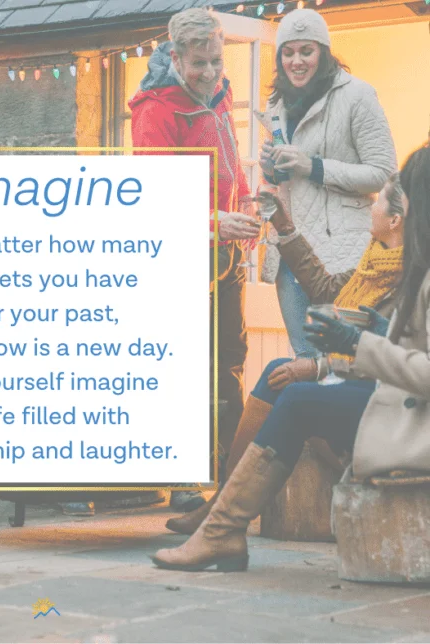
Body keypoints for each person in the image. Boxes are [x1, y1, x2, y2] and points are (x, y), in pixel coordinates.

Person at [151, 141, 428, 572]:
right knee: (282, 375)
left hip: (411, 422)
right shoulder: (388, 264)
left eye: (387, 196)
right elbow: (329, 291)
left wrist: (336, 357)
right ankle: (220, 518)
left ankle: (222, 527)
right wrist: (284, 226)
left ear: (404, 216)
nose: (369, 205)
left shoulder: (414, 273)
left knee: (296, 395)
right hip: (391, 399)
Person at [129, 7, 259, 509]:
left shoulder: (219, 97)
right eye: (199, 63)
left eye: (217, 61)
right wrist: (214, 221)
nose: (209, 73)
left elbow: (230, 166)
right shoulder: (156, 110)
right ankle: (182, 479)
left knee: (229, 362)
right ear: (176, 58)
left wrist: (245, 203)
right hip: (180, 257)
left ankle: (229, 478)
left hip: (224, 256)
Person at [260, 8, 396, 359]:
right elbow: (289, 179)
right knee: (304, 360)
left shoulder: (357, 95)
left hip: (340, 255)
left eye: (306, 51)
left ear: (323, 52)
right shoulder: (276, 103)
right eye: (288, 53)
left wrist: (314, 167)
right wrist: (272, 170)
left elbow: (384, 173)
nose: (297, 61)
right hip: (289, 253)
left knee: (339, 365)